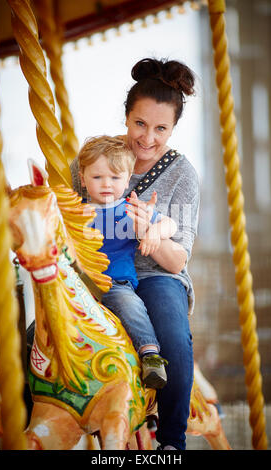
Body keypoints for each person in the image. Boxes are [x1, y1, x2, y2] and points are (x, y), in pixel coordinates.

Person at [71, 57, 200, 451]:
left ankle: (171, 442)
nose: (147, 138)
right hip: (100, 271)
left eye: (161, 128)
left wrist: (148, 231)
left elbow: (178, 260)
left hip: (156, 275)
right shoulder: (94, 162)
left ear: (173, 129)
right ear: (126, 117)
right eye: (140, 124)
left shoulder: (181, 175)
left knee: (174, 339)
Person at [78, 135, 177, 389]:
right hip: (78, 286)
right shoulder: (77, 212)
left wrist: (153, 231)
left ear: (127, 178)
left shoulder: (130, 210)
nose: (106, 184)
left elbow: (170, 223)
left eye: (115, 177)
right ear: (82, 178)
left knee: (130, 306)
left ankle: (150, 354)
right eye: (97, 177)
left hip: (115, 284)